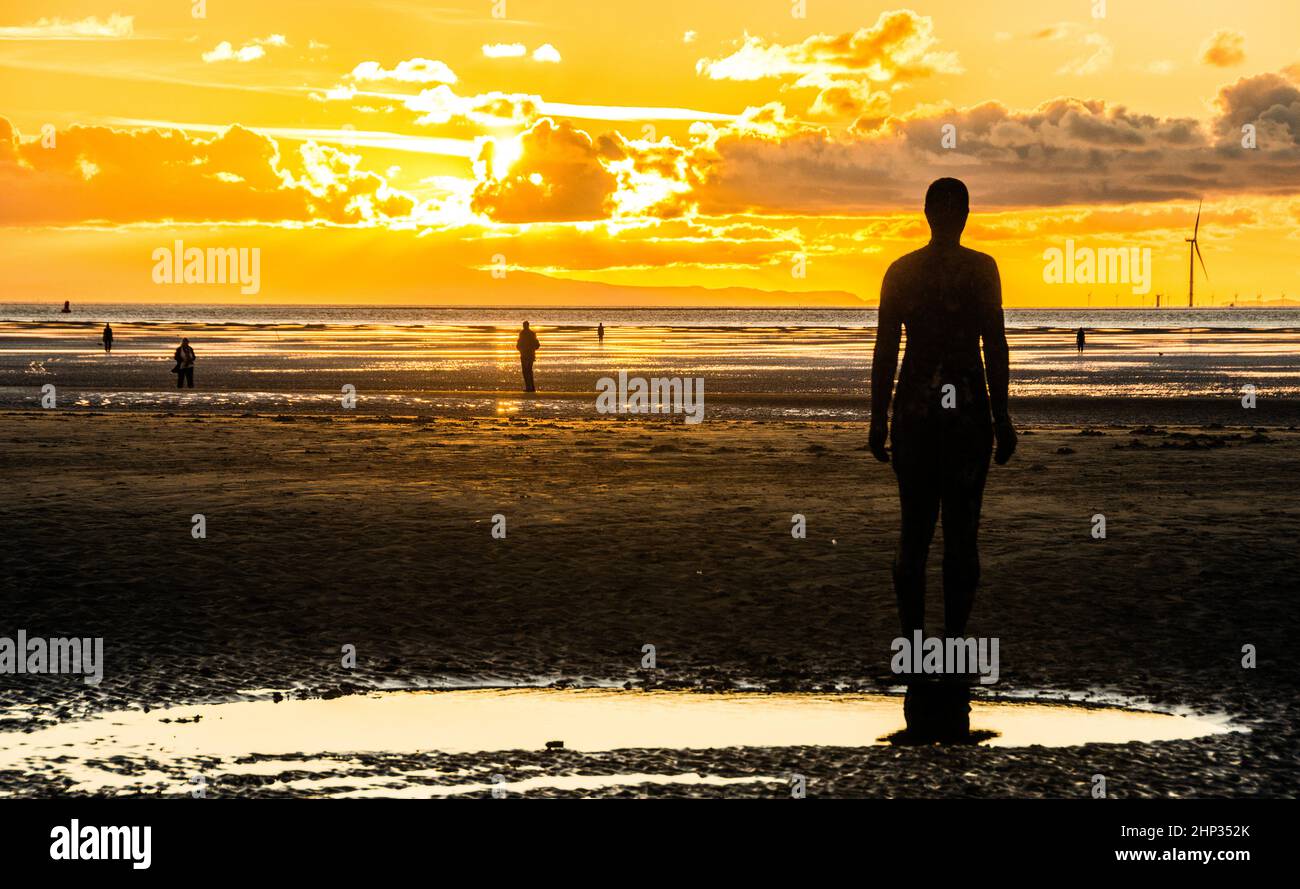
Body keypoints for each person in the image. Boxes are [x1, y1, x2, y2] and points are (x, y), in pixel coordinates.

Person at [869, 177, 1015, 742]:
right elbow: (994, 344)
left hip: (915, 412)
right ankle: (952, 647)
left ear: (928, 213)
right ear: (964, 214)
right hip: (967, 413)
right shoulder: (982, 269)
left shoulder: (902, 271)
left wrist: (878, 418)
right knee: (960, 537)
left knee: (914, 535)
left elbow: (887, 349)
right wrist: (1001, 415)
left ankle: (916, 646)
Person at [516, 322, 540, 392]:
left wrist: (522, 349)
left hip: (525, 355)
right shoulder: (532, 333)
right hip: (530, 355)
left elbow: (518, 345)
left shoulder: (522, 334)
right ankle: (531, 387)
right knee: (529, 371)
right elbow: (537, 345)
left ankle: (529, 387)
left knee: (526, 371)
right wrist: (532, 349)